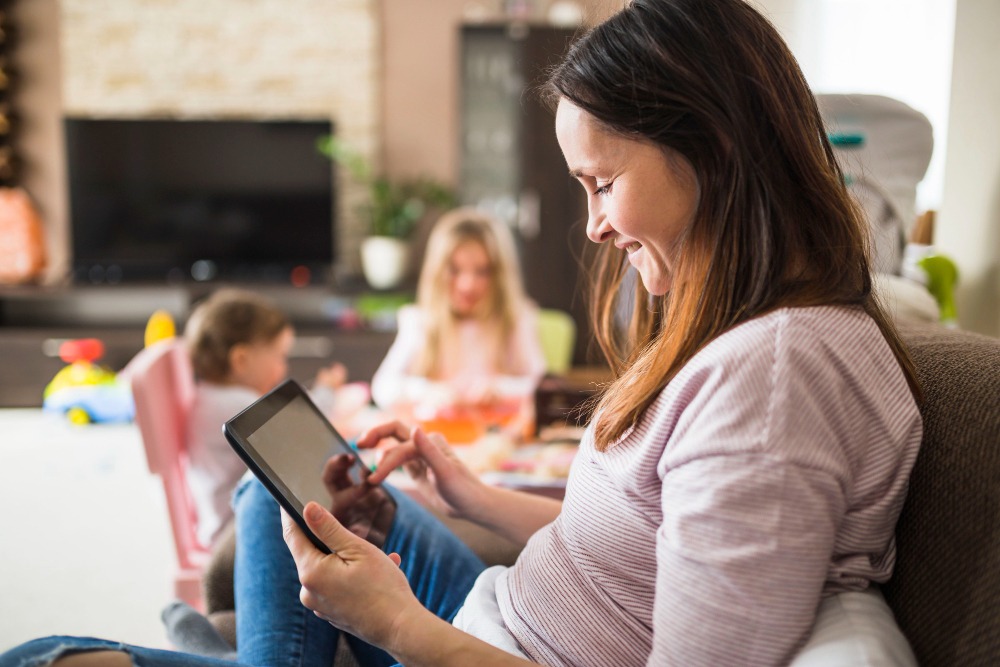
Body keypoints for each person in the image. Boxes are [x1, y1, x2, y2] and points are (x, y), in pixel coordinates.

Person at [0, 1, 923, 666]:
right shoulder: (758, 339)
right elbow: (650, 537)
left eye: (602, 182)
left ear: (714, 152)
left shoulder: (774, 377)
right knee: (274, 500)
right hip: (500, 610)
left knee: (42, 651)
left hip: (474, 644)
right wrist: (469, 493)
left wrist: (399, 626)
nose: (595, 224)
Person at [183, 288, 350, 549]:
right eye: (279, 356)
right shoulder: (236, 407)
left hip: (229, 524)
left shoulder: (214, 396)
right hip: (235, 536)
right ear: (241, 360)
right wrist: (327, 392)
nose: (284, 367)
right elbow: (304, 427)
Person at [370, 207, 546, 415]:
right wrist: (426, 390)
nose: (467, 285)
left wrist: (501, 389)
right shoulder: (420, 321)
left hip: (495, 437)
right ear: (437, 271)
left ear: (500, 275)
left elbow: (541, 385)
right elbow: (382, 387)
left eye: (482, 271)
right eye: (454, 270)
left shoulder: (516, 319)